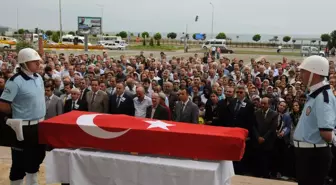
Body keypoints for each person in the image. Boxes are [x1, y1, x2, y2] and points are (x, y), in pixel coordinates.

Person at [0, 48, 46, 185]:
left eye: (38, 61)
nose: (38, 64)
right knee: (19, 162)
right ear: (24, 64)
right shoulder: (15, 81)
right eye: (34, 62)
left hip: (40, 125)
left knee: (36, 159)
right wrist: (14, 114)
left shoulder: (39, 78)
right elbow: (3, 104)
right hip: (23, 127)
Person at [293, 55, 336, 185]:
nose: (301, 75)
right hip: (308, 153)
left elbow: (327, 133)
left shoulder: (323, 98)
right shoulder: (316, 95)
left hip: (314, 155)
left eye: (303, 71)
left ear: (314, 73)